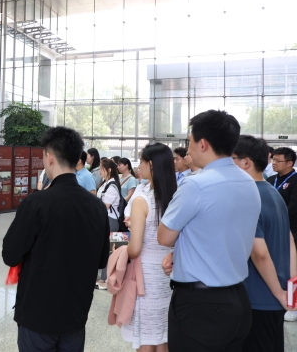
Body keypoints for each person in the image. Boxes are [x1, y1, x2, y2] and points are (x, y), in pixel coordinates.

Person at [158, 110, 261, 351]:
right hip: (238, 299)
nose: (188, 149)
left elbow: (164, 236)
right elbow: (222, 232)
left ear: (203, 144)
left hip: (200, 307)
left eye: (190, 142)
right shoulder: (249, 182)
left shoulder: (196, 184)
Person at [2, 127, 109, 352]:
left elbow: (10, 254)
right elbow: (101, 260)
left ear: (50, 158)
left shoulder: (36, 203)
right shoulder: (97, 207)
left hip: (37, 314)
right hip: (75, 314)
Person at [232, 135, 296, 351]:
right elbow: (289, 240)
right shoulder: (273, 193)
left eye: (232, 160)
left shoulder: (247, 197)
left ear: (246, 162)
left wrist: (278, 292)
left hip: (258, 297)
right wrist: (289, 288)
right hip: (277, 295)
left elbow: (259, 253)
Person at [120, 143, 176, 351]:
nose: (139, 167)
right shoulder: (176, 195)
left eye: (141, 162)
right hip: (170, 271)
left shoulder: (141, 200)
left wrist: (121, 252)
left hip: (145, 276)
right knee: (163, 334)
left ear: (150, 164)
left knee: (145, 335)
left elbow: (135, 248)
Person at [266, 146, 297, 322]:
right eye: (273, 160)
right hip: (272, 231)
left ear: (290, 163)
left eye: (279, 161)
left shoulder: (295, 180)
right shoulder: (270, 180)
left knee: (292, 269)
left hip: (292, 230)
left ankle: (293, 304)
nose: (274, 163)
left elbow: (293, 207)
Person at [96, 158, 123, 290]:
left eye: (102, 169)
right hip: (105, 220)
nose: (100, 171)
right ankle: (103, 278)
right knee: (105, 249)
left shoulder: (111, 186)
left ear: (109, 170)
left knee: (109, 250)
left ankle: (106, 279)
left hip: (110, 221)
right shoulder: (106, 183)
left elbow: (104, 206)